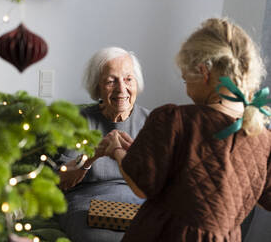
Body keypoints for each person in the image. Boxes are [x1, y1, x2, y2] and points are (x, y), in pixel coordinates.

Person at [100, 18, 271, 241]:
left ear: (203, 72)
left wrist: (116, 151)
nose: (187, 88)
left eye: (185, 79)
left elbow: (141, 186)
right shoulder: (263, 138)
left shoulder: (175, 119)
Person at [56, 47, 150, 242]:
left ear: (136, 83)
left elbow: (161, 181)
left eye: (128, 79)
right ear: (97, 87)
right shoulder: (78, 121)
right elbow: (61, 180)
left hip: (139, 204)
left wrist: (132, 155)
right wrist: (92, 155)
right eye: (111, 81)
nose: (121, 89)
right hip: (87, 205)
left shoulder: (151, 121)